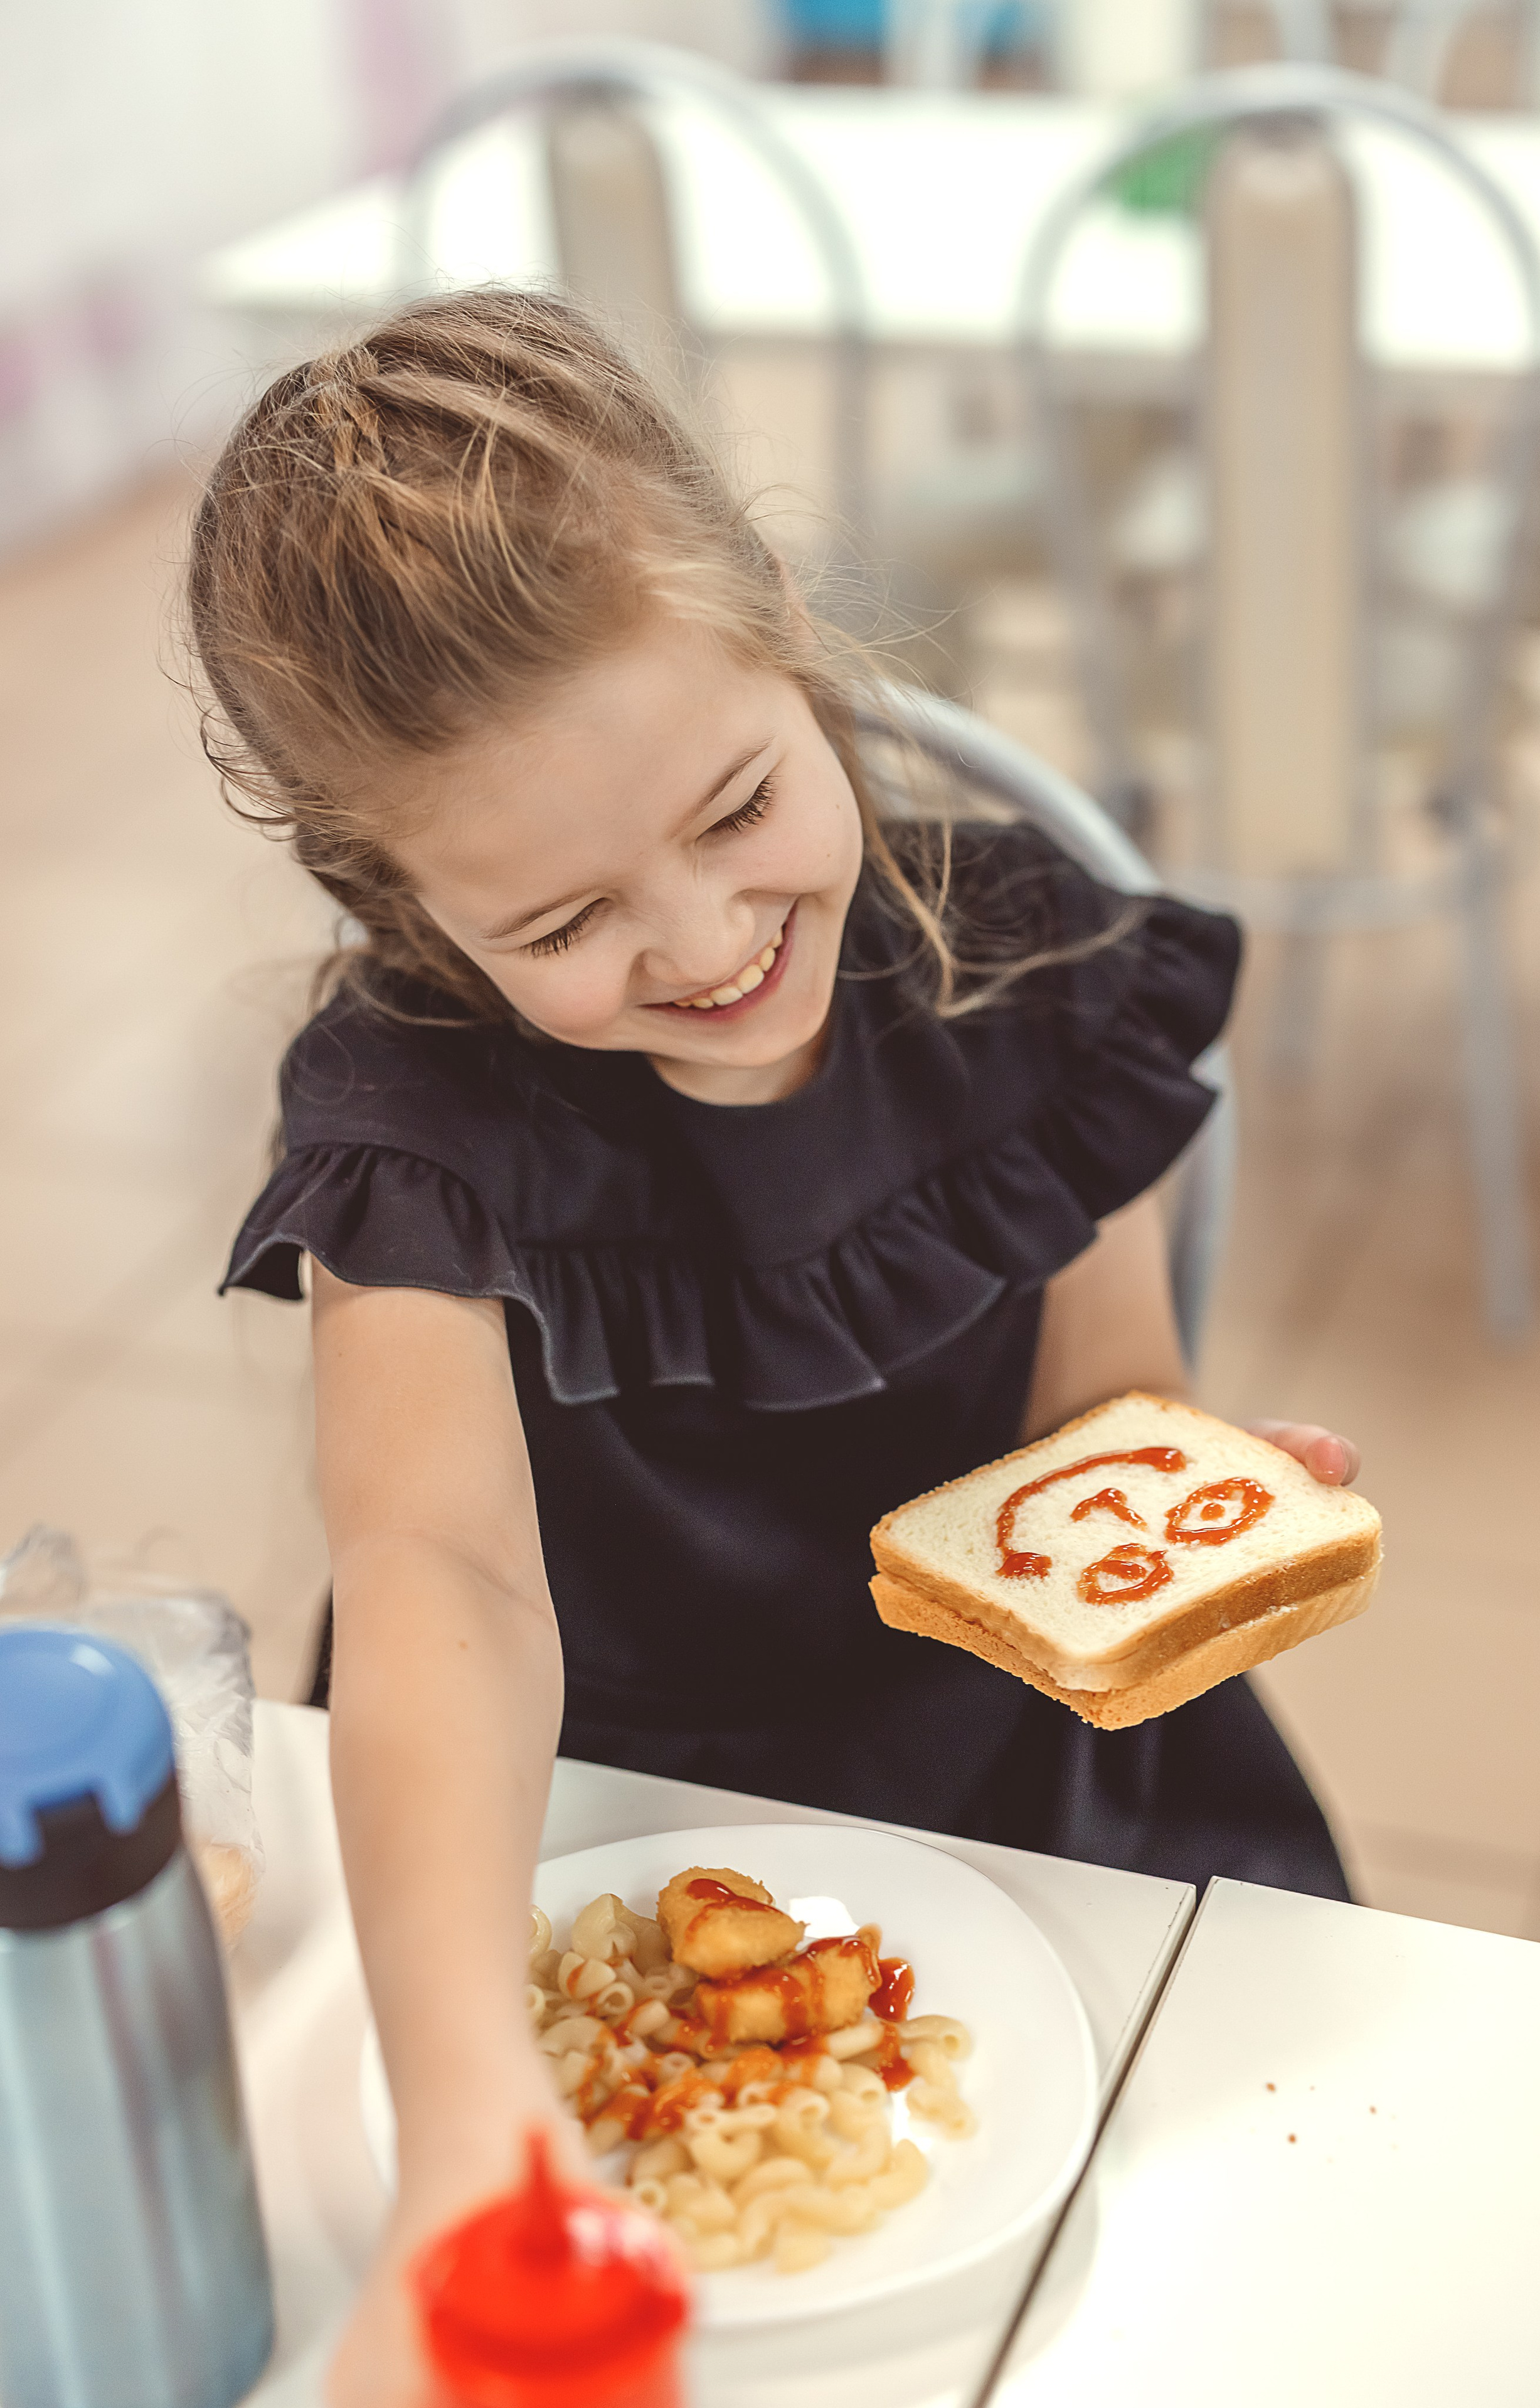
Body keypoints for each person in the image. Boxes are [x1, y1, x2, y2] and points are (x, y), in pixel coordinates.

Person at [189, 289, 1360, 2399]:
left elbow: (1102, 1406)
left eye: (738, 808)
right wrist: (469, 2126)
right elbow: (439, 1575)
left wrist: (1169, 1519)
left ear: (788, 636)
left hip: (1019, 1787)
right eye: (560, 924)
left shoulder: (1045, 980)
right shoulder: (407, 1128)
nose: (708, 944)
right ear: (406, 902)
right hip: (579, 1815)